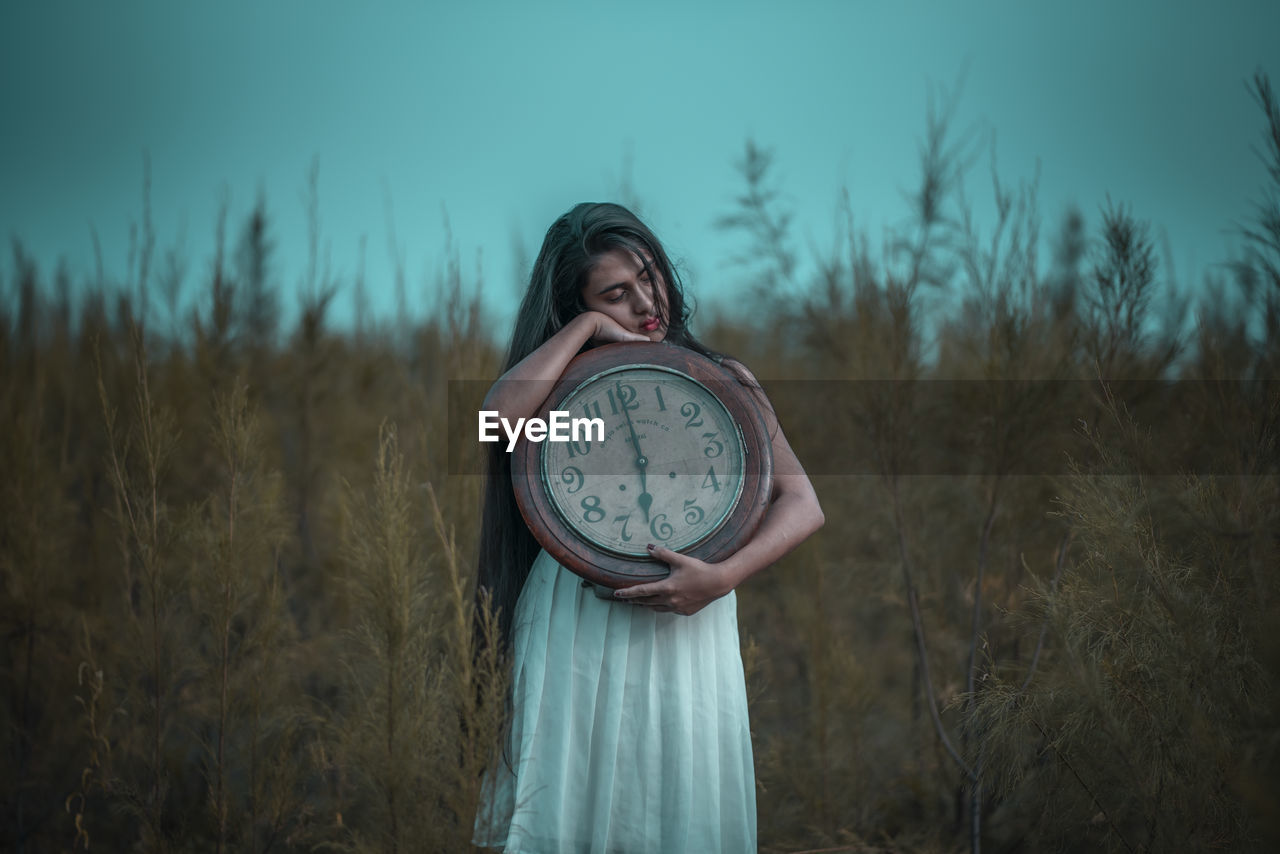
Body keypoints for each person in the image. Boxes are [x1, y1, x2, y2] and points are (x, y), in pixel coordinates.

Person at [472, 202, 824, 853]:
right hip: (578, 619)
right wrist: (585, 332)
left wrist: (720, 579)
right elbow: (495, 421)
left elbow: (802, 502)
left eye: (647, 274)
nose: (644, 300)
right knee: (570, 800)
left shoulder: (724, 383)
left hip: (694, 619)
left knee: (675, 804)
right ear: (579, 304)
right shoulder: (560, 396)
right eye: (615, 293)